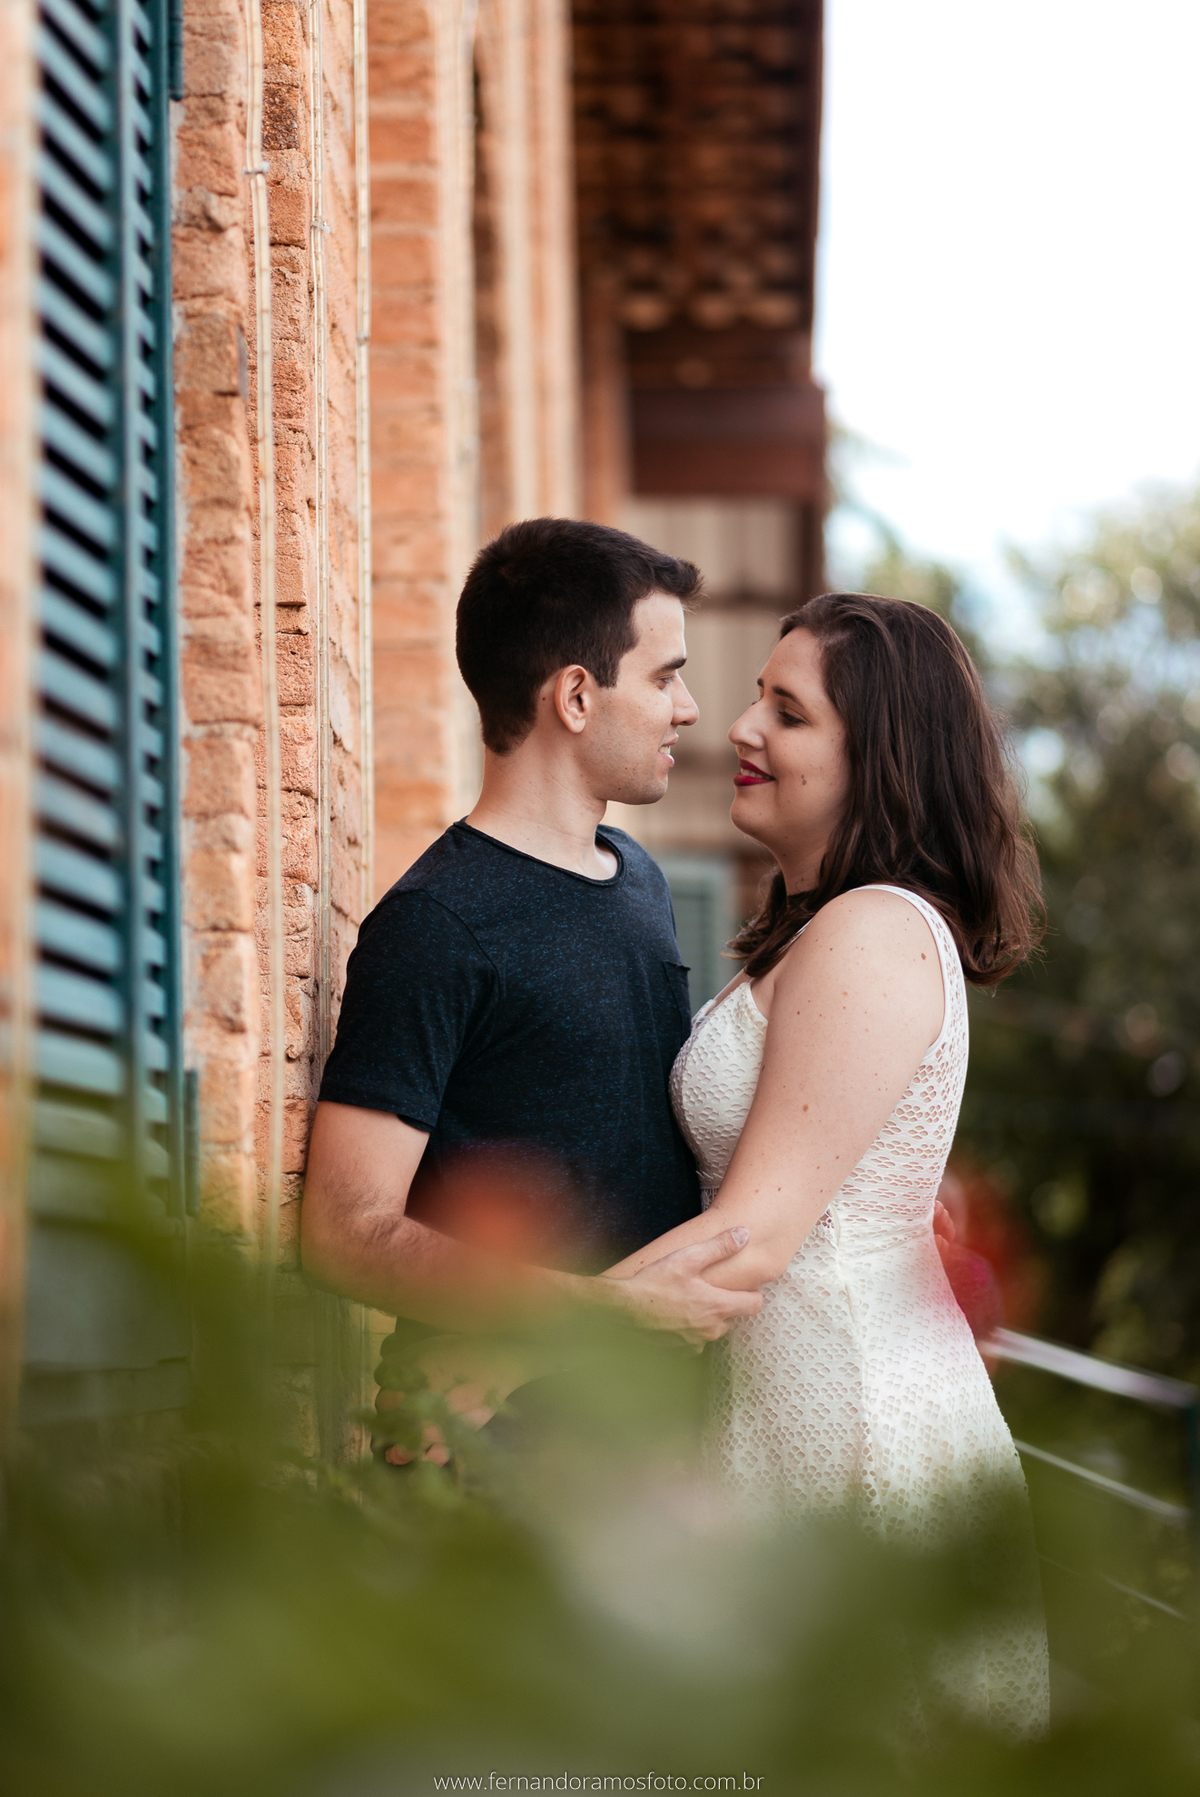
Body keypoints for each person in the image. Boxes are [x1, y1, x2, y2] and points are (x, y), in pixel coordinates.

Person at [604, 593, 1050, 1734]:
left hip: (859, 1427)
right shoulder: (823, 934)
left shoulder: (872, 932)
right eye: (758, 697)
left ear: (879, 760)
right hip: (793, 1402)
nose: (741, 728)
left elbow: (751, 1238)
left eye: (787, 712)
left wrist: (524, 1341)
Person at [301, 519, 766, 1445]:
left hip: (647, 1447)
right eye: (666, 676)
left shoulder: (637, 877)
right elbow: (344, 1230)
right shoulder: (435, 925)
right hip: (493, 1452)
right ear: (578, 697)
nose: (689, 710)